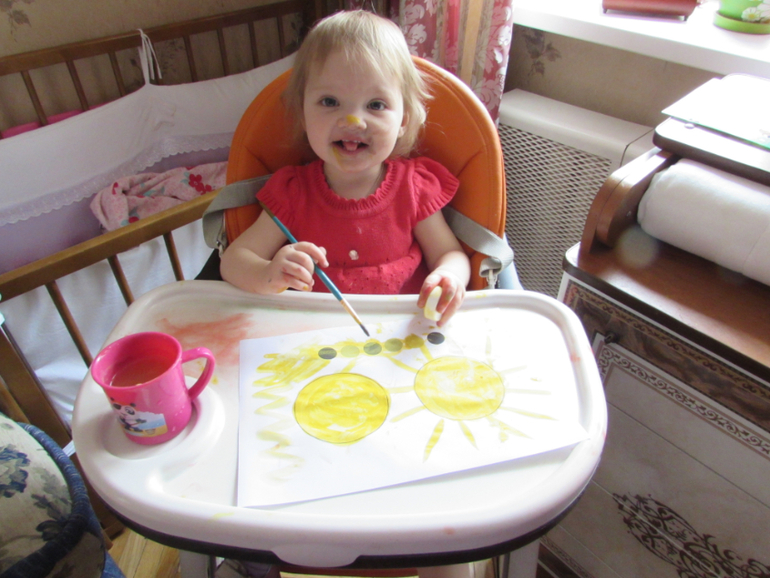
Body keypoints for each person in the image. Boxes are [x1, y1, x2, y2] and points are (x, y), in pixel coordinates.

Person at [219, 9, 470, 327]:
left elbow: (450, 253)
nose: (353, 121)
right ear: (303, 114)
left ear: (403, 121)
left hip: (401, 334)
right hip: (311, 336)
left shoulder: (414, 187)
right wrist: (268, 274)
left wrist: (449, 276)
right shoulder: (293, 193)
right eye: (330, 102)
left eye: (375, 105)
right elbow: (233, 261)